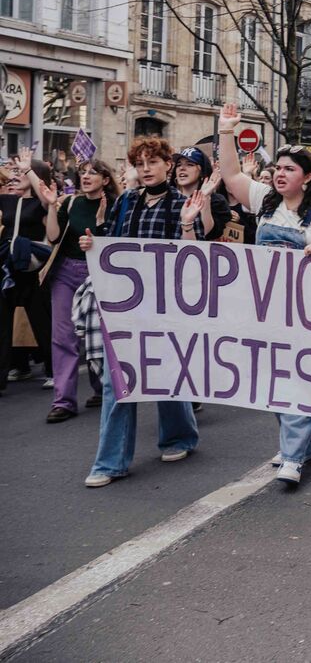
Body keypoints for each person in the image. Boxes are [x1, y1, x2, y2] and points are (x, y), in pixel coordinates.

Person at [216, 103, 311, 488]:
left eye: (289, 169)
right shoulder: (264, 200)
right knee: (275, 379)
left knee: (301, 378)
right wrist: (226, 131)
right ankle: (301, 441)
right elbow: (230, 175)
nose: (280, 173)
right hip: (268, 308)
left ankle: (293, 455)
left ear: (307, 177)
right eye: (278, 168)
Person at [82, 136, 202, 487]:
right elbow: (112, 243)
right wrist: (93, 243)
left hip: (165, 305)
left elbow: (192, 259)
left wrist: (187, 224)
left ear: (168, 165)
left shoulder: (181, 204)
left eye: (153, 162)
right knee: (116, 381)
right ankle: (110, 463)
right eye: (140, 163)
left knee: (166, 372)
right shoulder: (126, 202)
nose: (146, 169)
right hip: (124, 305)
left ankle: (179, 436)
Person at [31, 159, 117, 422]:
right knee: (63, 337)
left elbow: (117, 241)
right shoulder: (71, 202)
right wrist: (52, 205)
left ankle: (102, 388)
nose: (86, 176)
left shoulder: (115, 205)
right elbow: (53, 237)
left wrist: (97, 238)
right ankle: (64, 401)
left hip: (99, 274)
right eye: (82, 172)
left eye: (93, 172)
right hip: (66, 272)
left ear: (105, 180)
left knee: (98, 335)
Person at [1, 149, 55, 390]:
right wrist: (12, 172)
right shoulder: (7, 200)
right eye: (15, 172)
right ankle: (3, 375)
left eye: (20, 173)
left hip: (33, 269)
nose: (16, 176)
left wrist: (29, 170)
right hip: (9, 268)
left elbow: (46, 198)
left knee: (41, 321)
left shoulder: (41, 203)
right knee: (3, 323)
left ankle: (53, 370)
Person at [173, 146, 231, 241]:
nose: (182, 168)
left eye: (190, 164)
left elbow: (209, 234)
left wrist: (205, 197)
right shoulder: (169, 198)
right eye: (179, 165)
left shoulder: (216, 201)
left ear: (201, 171)